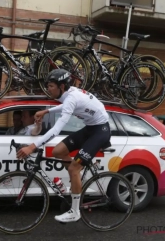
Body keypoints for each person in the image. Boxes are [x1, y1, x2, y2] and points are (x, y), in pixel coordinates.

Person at [17, 69, 111, 223]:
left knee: (74, 168)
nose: (48, 89)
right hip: (90, 128)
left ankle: (75, 211)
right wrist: (47, 111)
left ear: (61, 86)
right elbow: (66, 105)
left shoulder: (71, 98)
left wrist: (32, 146)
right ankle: (76, 181)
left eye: (51, 86)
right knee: (58, 151)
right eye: (48, 85)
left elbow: (56, 130)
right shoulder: (67, 94)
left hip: (100, 131)